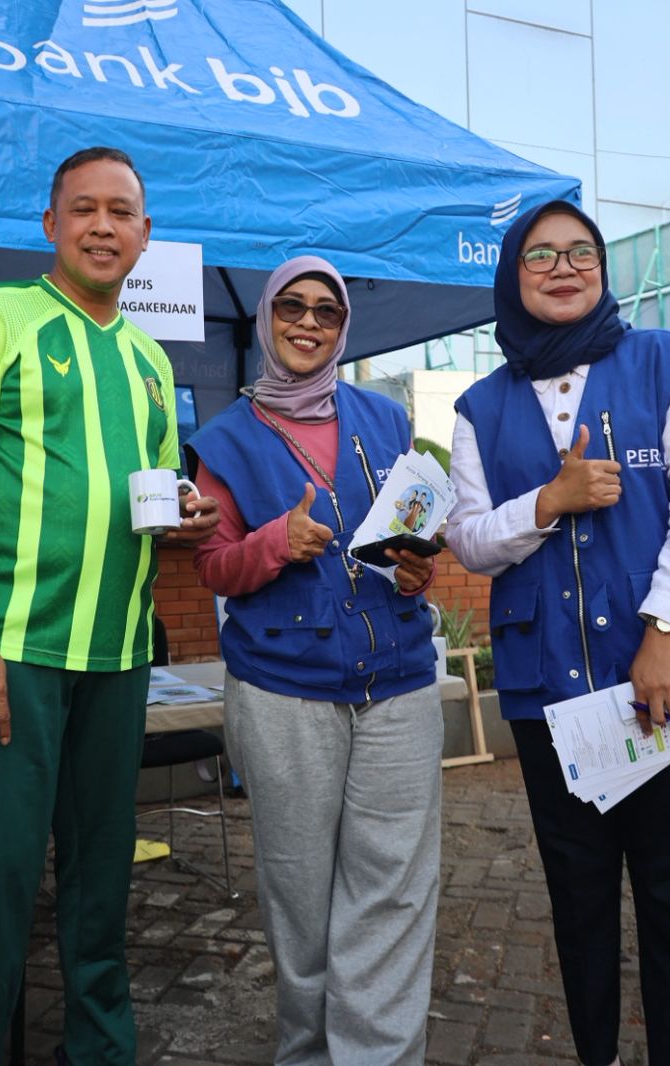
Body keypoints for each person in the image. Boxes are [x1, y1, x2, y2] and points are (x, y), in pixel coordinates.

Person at [444, 200, 670, 1066]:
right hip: (550, 680)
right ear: (513, 274)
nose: (563, 266)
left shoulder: (666, 363)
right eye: (540, 254)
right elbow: (470, 539)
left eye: (580, 251)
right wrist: (549, 501)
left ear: (602, 268)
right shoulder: (480, 405)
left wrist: (664, 628)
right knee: (578, 895)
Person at [0, 145, 219, 1064]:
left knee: (100, 889)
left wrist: (183, 513)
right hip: (6, 650)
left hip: (119, 652)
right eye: (82, 209)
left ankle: (99, 1050)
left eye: (120, 211)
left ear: (145, 234)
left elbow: (144, 496)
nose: (102, 225)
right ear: (50, 225)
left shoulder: (149, 362)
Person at [186, 255, 443, 1064]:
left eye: (325, 311)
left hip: (396, 683)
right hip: (283, 692)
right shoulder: (224, 440)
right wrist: (275, 542)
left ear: (342, 328)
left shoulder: (386, 419)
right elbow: (214, 567)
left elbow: (413, 539)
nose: (307, 322)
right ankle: (306, 1049)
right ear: (267, 319)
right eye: (291, 307)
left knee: (393, 891)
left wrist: (418, 565)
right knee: (300, 893)